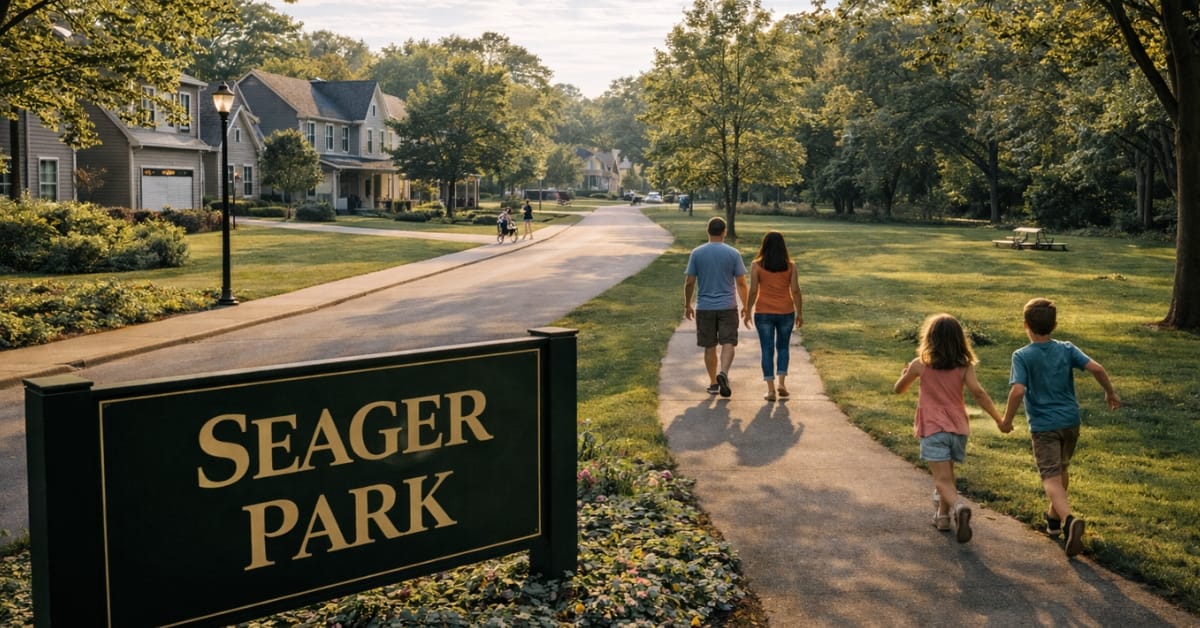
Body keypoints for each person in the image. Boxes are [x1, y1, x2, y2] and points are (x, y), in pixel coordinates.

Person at [1001, 297, 1120, 557]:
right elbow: (1096, 368)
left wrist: (1007, 420)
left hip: (1044, 427)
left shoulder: (1022, 355)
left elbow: (1018, 390)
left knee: (1050, 477)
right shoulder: (1066, 349)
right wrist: (1110, 392)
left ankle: (1068, 521)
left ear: (1025, 325)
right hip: (1070, 422)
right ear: (1054, 325)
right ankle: (1053, 520)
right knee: (1062, 468)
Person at [894, 313, 1007, 543]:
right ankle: (943, 516)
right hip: (957, 428)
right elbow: (978, 393)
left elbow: (899, 389)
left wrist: (905, 375)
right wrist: (998, 418)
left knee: (942, 479)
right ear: (959, 340)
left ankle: (957, 508)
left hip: (933, 429)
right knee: (949, 475)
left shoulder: (920, 365)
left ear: (930, 338)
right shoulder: (964, 366)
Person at [684, 216, 749, 398]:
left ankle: (713, 382)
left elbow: (689, 282)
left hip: (704, 307)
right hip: (728, 306)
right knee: (728, 342)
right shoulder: (733, 253)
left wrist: (688, 304)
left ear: (708, 231)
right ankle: (724, 373)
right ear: (724, 232)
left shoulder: (697, 253)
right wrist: (746, 305)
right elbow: (741, 283)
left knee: (710, 345)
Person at [742, 231, 803, 401]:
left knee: (767, 349)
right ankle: (782, 383)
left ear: (764, 245)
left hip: (764, 312)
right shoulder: (791, 266)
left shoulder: (757, 265)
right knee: (783, 347)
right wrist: (800, 313)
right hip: (786, 311)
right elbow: (795, 291)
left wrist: (747, 311)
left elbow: (753, 290)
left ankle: (770, 390)